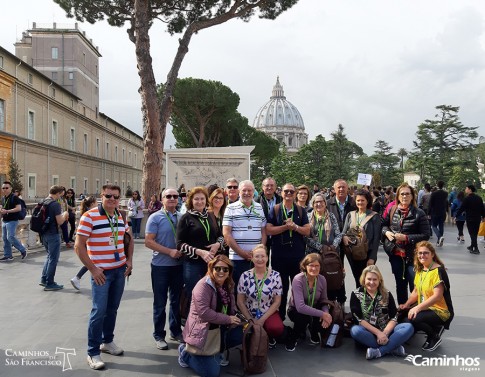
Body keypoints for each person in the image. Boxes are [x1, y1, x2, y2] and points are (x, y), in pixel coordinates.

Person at [75, 184, 134, 370]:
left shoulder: (119, 215)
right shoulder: (89, 216)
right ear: (101, 196)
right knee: (98, 311)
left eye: (116, 197)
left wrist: (129, 261)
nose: (112, 199)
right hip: (101, 273)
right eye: (108, 196)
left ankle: (107, 341)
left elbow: (129, 238)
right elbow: (79, 246)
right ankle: (93, 352)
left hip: (119, 270)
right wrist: (92, 269)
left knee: (112, 309)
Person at [178, 255, 242, 377]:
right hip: (204, 330)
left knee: (240, 334)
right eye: (217, 268)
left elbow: (231, 306)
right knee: (211, 373)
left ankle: (218, 350)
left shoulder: (228, 284)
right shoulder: (202, 286)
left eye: (225, 269)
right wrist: (228, 319)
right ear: (211, 269)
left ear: (229, 271)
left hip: (220, 327)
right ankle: (185, 354)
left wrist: (233, 317)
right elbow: (204, 313)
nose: (221, 272)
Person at [145, 188, 183, 350]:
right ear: (162, 199)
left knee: (176, 301)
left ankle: (175, 331)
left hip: (179, 266)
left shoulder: (182, 217)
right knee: (160, 302)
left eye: (175, 196)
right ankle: (159, 335)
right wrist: (170, 251)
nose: (173, 199)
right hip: (161, 266)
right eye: (169, 196)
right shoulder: (155, 217)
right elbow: (148, 241)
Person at [350, 265, 414, 360]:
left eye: (375, 279)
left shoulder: (386, 294)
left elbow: (394, 317)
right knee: (355, 330)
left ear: (379, 280)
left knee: (408, 327)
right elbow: (359, 319)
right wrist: (378, 333)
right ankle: (392, 347)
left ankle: (379, 351)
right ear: (364, 279)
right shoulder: (356, 294)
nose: (371, 282)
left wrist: (384, 333)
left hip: (387, 331)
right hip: (368, 332)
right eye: (369, 279)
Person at [266, 183, 310, 320]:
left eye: (292, 191)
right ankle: (280, 319)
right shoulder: (275, 209)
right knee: (281, 289)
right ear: (282, 193)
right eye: (286, 191)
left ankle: (298, 320)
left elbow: (307, 230)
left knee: (298, 289)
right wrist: (285, 227)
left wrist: (295, 227)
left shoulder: (301, 210)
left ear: (295, 194)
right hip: (279, 256)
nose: (289, 194)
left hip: (297, 256)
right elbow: (268, 230)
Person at [400, 241, 454, 351]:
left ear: (432, 254)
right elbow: (416, 291)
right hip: (426, 307)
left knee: (414, 319)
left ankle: (433, 336)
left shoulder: (438, 271)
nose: (422, 256)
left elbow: (437, 296)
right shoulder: (420, 269)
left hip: (441, 310)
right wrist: (406, 305)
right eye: (420, 253)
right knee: (401, 314)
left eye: (425, 253)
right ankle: (434, 327)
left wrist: (417, 308)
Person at [382, 183, 430, 305]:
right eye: (402, 194)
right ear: (397, 196)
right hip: (396, 255)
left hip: (413, 256)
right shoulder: (393, 210)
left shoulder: (419, 213)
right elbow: (383, 225)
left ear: (412, 196)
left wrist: (407, 238)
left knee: (415, 285)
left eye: (407, 194)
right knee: (400, 284)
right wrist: (386, 232)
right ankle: (403, 310)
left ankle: (415, 310)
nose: (404, 196)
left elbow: (426, 235)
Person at [177, 186, 224, 308]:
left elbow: (221, 236)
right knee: (194, 296)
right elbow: (179, 244)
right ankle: (192, 325)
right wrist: (199, 252)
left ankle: (210, 325)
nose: (200, 202)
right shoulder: (186, 218)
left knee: (211, 295)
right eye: (196, 199)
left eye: (202, 199)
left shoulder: (210, 216)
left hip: (212, 263)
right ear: (191, 201)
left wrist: (217, 244)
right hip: (193, 264)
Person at [237, 244, 284, 348]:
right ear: (252, 258)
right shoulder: (245, 276)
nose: (260, 259)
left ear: (267, 258)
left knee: (276, 328)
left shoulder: (275, 276)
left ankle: (268, 336)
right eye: (257, 256)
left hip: (268, 311)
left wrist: (262, 319)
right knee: (240, 335)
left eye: (263, 256)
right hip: (248, 312)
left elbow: (277, 301)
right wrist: (249, 318)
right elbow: (240, 301)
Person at [223, 180, 267, 290]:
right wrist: (241, 253)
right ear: (239, 191)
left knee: (256, 290)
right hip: (237, 258)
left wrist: (259, 251)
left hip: (256, 259)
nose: (247, 193)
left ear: (254, 192)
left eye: (250, 190)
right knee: (238, 290)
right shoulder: (230, 208)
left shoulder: (259, 207)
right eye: (244, 190)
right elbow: (226, 233)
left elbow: (264, 231)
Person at [285, 253, 333, 352]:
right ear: (305, 266)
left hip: (314, 308)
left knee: (327, 318)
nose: (314, 269)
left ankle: (313, 331)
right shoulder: (298, 279)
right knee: (303, 318)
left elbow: (324, 300)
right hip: (296, 310)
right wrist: (322, 314)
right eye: (311, 265)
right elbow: (300, 307)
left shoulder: (322, 279)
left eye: (317, 266)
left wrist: (327, 314)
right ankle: (293, 338)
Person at [306, 193, 343, 302]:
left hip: (330, 255)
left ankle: (330, 308)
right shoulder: (308, 217)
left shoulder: (331, 216)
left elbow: (338, 234)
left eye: (321, 201)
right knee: (314, 282)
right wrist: (321, 247)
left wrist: (333, 246)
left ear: (325, 203)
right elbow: (305, 237)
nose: (319, 204)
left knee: (329, 281)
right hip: (314, 255)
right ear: (312, 204)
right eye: (316, 202)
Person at [342, 189, 381, 288]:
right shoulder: (350, 215)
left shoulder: (374, 216)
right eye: (358, 200)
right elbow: (343, 232)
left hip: (367, 254)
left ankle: (367, 302)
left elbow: (376, 239)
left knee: (367, 281)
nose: (360, 202)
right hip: (352, 254)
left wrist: (372, 257)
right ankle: (358, 302)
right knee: (357, 279)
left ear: (368, 201)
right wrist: (345, 237)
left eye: (362, 200)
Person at [38, 185, 70, 290]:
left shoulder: (43, 202)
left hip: (44, 233)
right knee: (53, 259)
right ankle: (50, 283)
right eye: (61, 195)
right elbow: (60, 221)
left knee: (49, 257)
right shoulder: (55, 204)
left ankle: (44, 279)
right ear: (58, 193)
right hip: (53, 233)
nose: (61, 197)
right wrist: (65, 214)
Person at [70, 196, 98, 290]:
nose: (98, 205)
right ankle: (77, 277)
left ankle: (77, 278)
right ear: (92, 204)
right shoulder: (89, 215)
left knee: (91, 261)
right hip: (88, 242)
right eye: (96, 203)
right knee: (91, 261)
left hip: (86, 241)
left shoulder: (85, 214)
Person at [0, 181, 27, 261]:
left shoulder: (14, 197)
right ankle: (8, 255)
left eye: (6, 188)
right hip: (4, 220)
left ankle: (23, 250)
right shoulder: (3, 198)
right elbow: (2, 208)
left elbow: (18, 208)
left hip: (12, 220)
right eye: (3, 188)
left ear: (10, 188)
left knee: (10, 237)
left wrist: (7, 211)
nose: (5, 189)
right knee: (5, 238)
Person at [456, 184, 485, 254]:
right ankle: (472, 246)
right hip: (477, 218)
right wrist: (483, 217)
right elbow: (482, 208)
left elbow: (461, 208)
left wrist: (456, 216)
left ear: (470, 190)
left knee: (472, 234)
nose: (465, 190)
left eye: (466, 188)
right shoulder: (479, 198)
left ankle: (476, 248)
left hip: (470, 218)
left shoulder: (467, 198)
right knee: (474, 233)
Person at [428, 180, 448, 247]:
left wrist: (429, 213)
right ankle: (439, 241)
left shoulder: (434, 193)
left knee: (433, 225)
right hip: (442, 211)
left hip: (435, 212)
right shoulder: (445, 193)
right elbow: (446, 202)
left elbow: (430, 203)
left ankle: (439, 237)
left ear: (437, 185)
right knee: (441, 225)